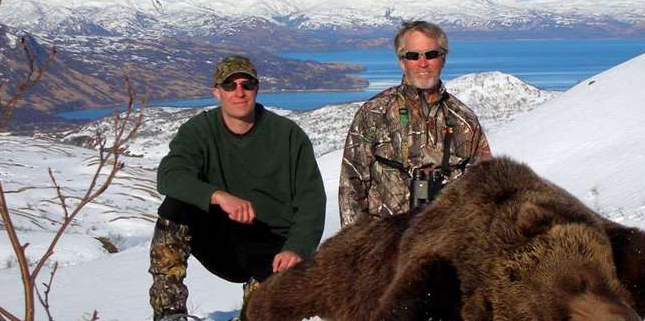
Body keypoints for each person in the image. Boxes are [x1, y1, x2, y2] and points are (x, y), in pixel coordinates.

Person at [148, 55, 326, 321]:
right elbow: (169, 176)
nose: (239, 92)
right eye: (230, 86)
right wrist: (217, 196)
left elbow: (311, 201)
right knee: (174, 207)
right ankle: (169, 312)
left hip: (272, 247)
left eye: (247, 84)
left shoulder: (288, 136)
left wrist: (297, 249)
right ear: (217, 92)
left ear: (257, 88)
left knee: (261, 313)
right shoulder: (199, 131)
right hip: (221, 239)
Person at [338, 20, 493, 227]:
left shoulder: (464, 119)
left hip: (445, 245)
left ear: (443, 59)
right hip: (384, 247)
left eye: (431, 54)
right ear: (402, 61)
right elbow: (351, 185)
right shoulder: (373, 114)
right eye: (413, 56)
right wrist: (355, 249)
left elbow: (485, 187)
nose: (423, 63)